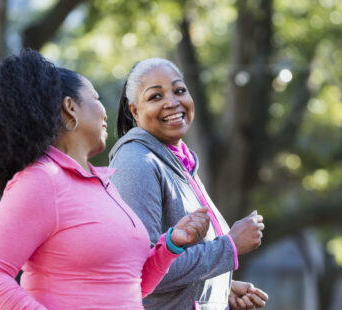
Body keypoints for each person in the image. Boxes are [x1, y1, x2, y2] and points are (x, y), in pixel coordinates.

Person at [0, 50, 211, 310]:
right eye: (95, 99)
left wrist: (172, 244)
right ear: (70, 107)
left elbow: (131, 284)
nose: (105, 113)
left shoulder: (103, 184)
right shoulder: (41, 180)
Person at [109, 58, 269, 310]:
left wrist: (218, 288)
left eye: (179, 90)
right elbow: (142, 269)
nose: (172, 102)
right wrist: (230, 247)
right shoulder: (137, 162)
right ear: (134, 111)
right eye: (155, 96)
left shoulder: (178, 161)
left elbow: (179, 262)